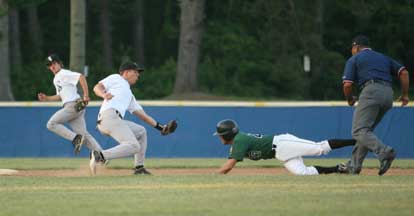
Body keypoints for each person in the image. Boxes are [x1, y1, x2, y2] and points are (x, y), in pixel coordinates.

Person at [90, 61, 176, 175]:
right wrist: (103, 94)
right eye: (135, 72)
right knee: (134, 146)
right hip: (109, 117)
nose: (138, 75)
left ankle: (139, 168)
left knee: (141, 132)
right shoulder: (117, 78)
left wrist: (161, 128)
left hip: (114, 120)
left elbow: (143, 116)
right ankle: (99, 156)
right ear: (125, 72)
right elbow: (97, 87)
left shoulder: (129, 95)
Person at [342, 35, 410, 175]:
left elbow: (347, 85)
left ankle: (385, 152)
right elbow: (403, 72)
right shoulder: (383, 57)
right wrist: (404, 94)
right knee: (365, 131)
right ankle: (353, 167)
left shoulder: (354, 58)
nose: (352, 51)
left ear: (357, 47)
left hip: (371, 90)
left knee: (358, 131)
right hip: (388, 94)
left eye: (352, 48)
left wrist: (349, 99)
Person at [214, 119, 355, 175]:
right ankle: (339, 169)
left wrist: (214, 176)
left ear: (226, 135)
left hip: (282, 144)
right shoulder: (237, 142)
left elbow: (228, 167)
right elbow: (229, 163)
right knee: (302, 173)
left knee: (320, 148)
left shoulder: (239, 140)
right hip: (280, 153)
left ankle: (355, 141)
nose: (219, 137)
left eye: (220, 135)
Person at [38, 54, 103, 155]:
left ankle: (76, 138)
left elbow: (81, 77)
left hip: (72, 106)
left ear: (59, 63)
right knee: (84, 135)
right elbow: (60, 96)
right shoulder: (56, 78)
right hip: (75, 107)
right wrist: (47, 98)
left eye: (54, 63)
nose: (52, 66)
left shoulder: (63, 73)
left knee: (51, 124)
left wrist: (86, 96)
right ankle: (102, 156)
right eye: (50, 65)